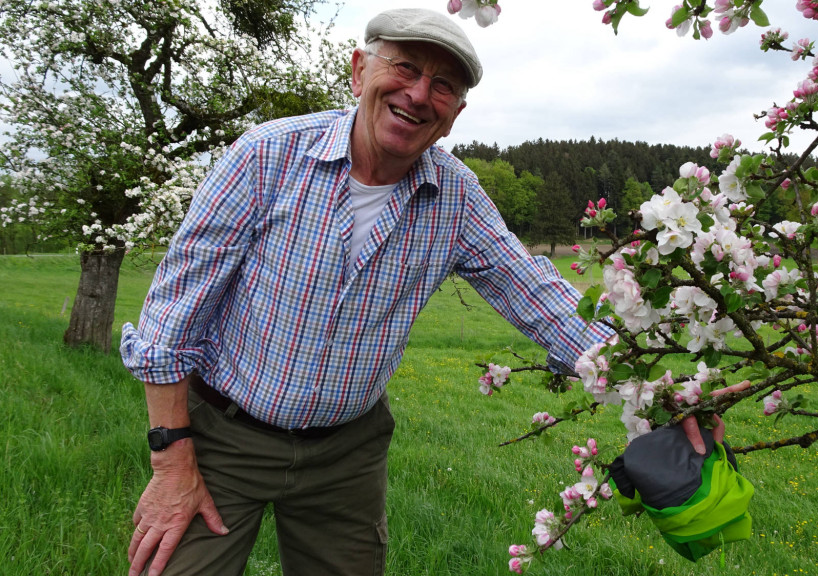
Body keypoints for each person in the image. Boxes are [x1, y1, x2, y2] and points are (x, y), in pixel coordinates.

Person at [121, 8, 733, 576]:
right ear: (360, 70)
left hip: (346, 455)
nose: (418, 94)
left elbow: (544, 301)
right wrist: (171, 457)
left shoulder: (456, 196)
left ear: (456, 113)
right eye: (405, 68)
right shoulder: (269, 157)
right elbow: (172, 317)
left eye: (443, 85)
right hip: (222, 436)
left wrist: (652, 390)